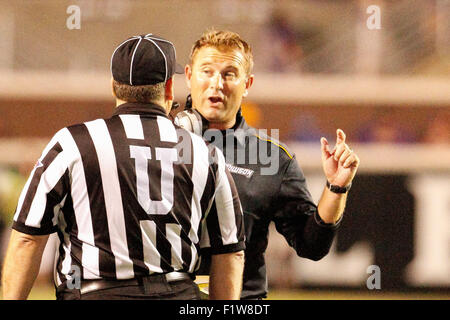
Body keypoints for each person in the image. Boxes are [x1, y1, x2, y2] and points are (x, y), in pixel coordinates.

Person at [1, 34, 245, 300]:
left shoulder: (74, 143)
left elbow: (27, 238)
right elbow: (230, 250)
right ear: (169, 88)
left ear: (114, 86)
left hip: (97, 293)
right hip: (179, 294)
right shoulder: (205, 152)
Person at [175, 29, 360, 299]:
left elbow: (312, 246)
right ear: (190, 76)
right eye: (207, 71)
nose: (217, 83)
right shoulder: (156, 142)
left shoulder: (272, 158)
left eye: (229, 74)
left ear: (247, 84)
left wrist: (336, 187)